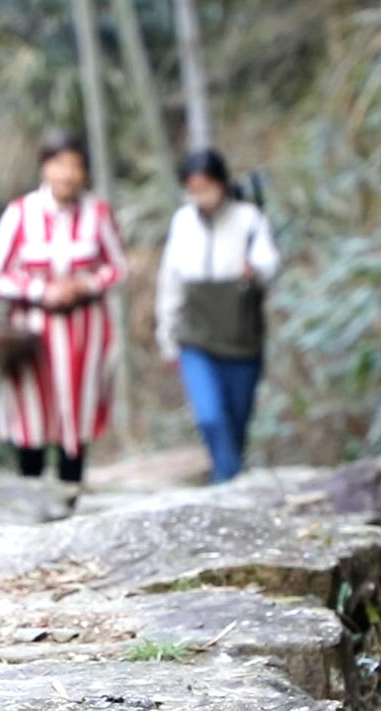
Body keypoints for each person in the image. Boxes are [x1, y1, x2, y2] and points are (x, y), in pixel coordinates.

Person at [0, 131, 128, 499]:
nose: (67, 174)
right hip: (31, 335)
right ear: (45, 167)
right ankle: (30, 501)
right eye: (59, 164)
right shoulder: (20, 213)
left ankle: (70, 500)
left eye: (76, 166)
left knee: (76, 416)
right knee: (31, 415)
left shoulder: (97, 213)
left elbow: (118, 267)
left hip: (84, 335)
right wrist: (39, 290)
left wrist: (85, 285)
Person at [155, 148, 281, 484]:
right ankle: (227, 486)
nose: (201, 197)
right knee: (210, 416)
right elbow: (171, 280)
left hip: (241, 338)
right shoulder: (182, 221)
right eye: (193, 189)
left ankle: (226, 481)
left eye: (206, 187)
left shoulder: (249, 218)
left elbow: (270, 264)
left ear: (222, 184)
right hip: (195, 335)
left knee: (236, 424)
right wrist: (166, 334)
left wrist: (252, 270)